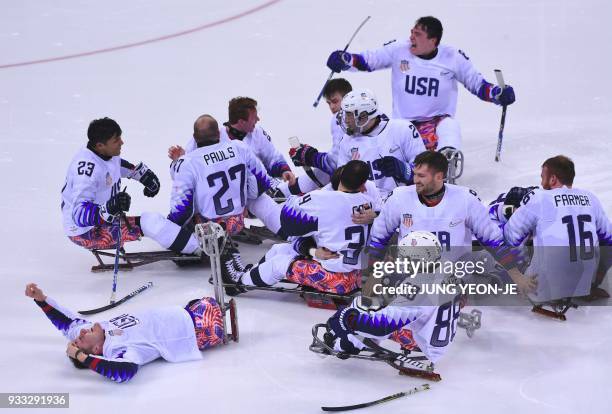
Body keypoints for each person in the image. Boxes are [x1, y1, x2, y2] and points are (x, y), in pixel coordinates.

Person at [326, 16, 516, 177]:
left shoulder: (453, 57)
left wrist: (497, 94)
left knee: (451, 125)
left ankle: (445, 166)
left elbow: (478, 85)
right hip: (403, 125)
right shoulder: (399, 49)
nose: (411, 38)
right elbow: (368, 60)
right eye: (411, 32)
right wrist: (345, 59)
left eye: (417, 34)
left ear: (433, 41)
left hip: (435, 123)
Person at [220, 160, 374, 296]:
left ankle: (237, 285)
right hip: (357, 272)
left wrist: (320, 192)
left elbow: (288, 219)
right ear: (362, 185)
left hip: (336, 279)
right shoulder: (370, 201)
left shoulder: (324, 200)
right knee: (279, 249)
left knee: (279, 264)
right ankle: (249, 273)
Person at [25, 283, 226, 383]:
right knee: (217, 300)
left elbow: (67, 323)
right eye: (81, 339)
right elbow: (125, 372)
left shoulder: (98, 329)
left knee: (213, 297)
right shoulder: (117, 350)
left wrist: (41, 300)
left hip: (187, 311)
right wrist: (79, 356)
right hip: (199, 329)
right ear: (96, 349)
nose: (82, 331)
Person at [60, 117, 200, 255]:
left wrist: (143, 175)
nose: (122, 142)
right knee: (150, 222)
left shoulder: (103, 154)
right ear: (100, 145)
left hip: (103, 218)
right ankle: (198, 249)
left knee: (152, 221)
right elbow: (78, 214)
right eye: (116, 140)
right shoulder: (86, 173)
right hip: (86, 231)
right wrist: (109, 208)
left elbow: (115, 165)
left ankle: (186, 241)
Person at [168, 114, 282, 268]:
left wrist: (172, 227)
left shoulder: (187, 162)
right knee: (257, 196)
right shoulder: (239, 147)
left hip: (209, 227)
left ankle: (198, 248)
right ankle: (285, 227)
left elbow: (182, 209)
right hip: (237, 221)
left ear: (195, 137)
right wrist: (246, 202)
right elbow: (263, 182)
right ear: (218, 133)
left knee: (165, 217)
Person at [503, 155, 612, 301]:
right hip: (585, 283)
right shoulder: (590, 198)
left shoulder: (539, 198)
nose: (541, 183)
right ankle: (588, 284)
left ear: (553, 179)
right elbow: (609, 240)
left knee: (506, 245)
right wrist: (596, 277)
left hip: (543, 287)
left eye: (543, 177)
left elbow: (510, 237)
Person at [290, 89, 426, 198]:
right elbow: (342, 185)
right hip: (365, 207)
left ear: (364, 116)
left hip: (402, 204)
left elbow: (427, 171)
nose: (345, 119)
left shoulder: (403, 129)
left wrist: (404, 170)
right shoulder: (347, 142)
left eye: (349, 114)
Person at [168, 97, 295, 186]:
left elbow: (272, 157)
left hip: (261, 189)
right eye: (254, 117)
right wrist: (179, 160)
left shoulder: (257, 132)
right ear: (241, 121)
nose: (258, 119)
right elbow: (184, 175)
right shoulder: (210, 136)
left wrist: (284, 170)